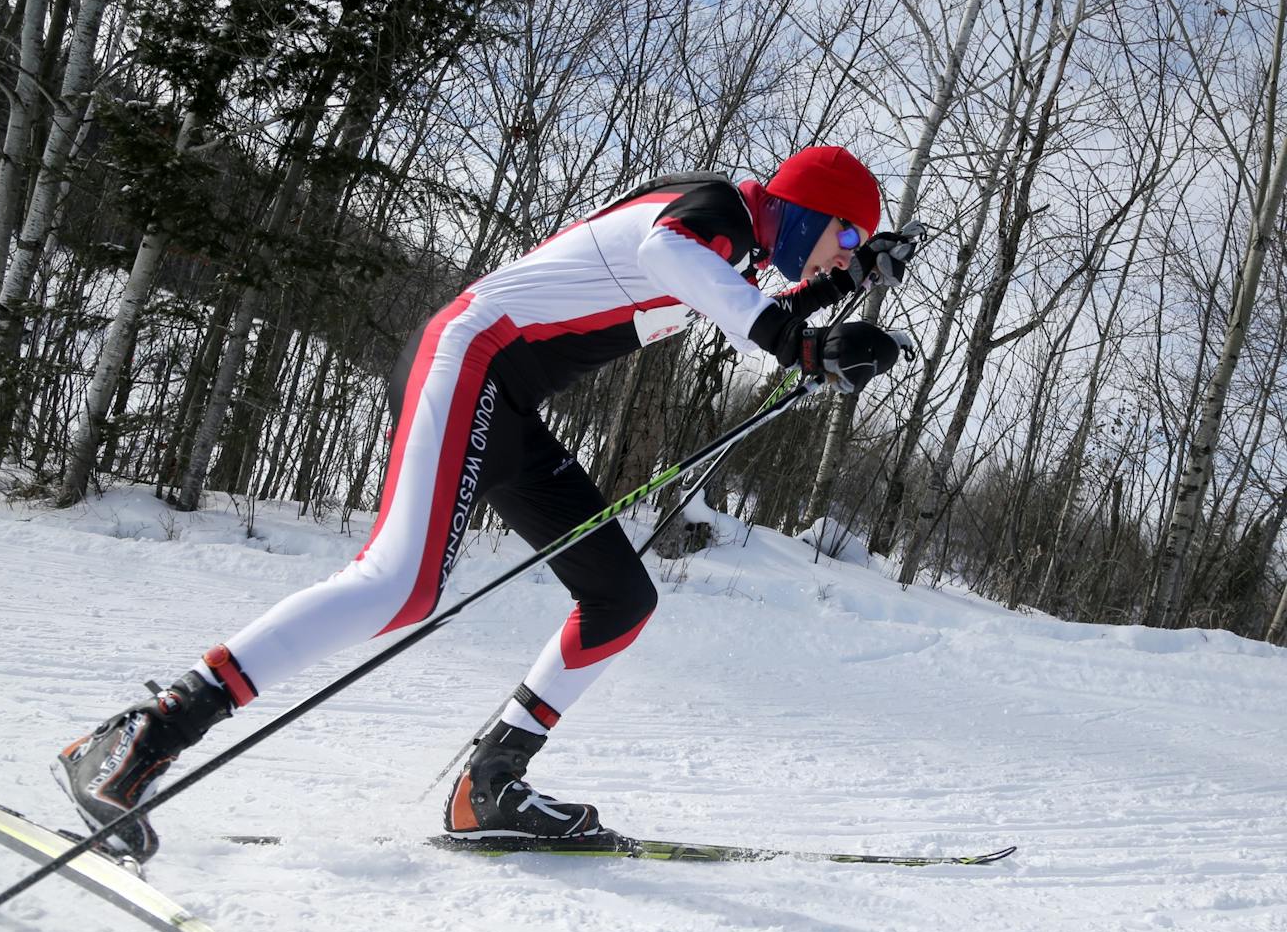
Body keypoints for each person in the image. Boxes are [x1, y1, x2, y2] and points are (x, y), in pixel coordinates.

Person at [55, 145, 916, 861]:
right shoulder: (714, 213)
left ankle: (490, 784)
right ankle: (147, 735)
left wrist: (844, 290)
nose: (847, 251)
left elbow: (726, 287)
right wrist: (796, 342)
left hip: (505, 401)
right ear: (808, 209)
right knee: (401, 584)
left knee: (620, 598)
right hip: (468, 362)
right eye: (848, 235)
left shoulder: (726, 241)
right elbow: (670, 259)